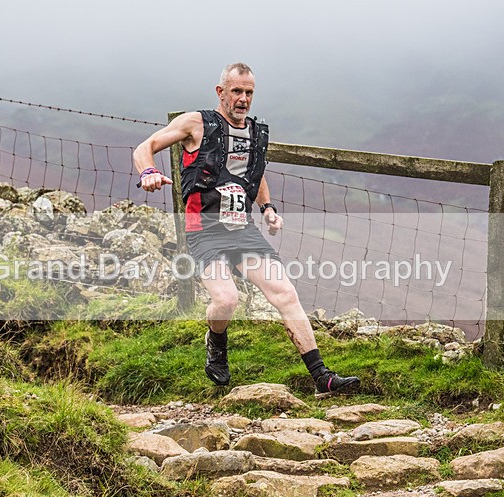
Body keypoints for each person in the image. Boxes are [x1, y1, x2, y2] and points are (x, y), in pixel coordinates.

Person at [133, 63, 359, 398]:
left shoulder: (254, 132)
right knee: (226, 300)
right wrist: (148, 171)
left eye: (249, 92)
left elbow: (254, 173)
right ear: (220, 91)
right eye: (236, 91)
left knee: (285, 294)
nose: (243, 99)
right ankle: (217, 343)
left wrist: (267, 208)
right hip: (204, 229)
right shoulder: (197, 122)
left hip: (242, 229)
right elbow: (144, 147)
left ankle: (322, 377)